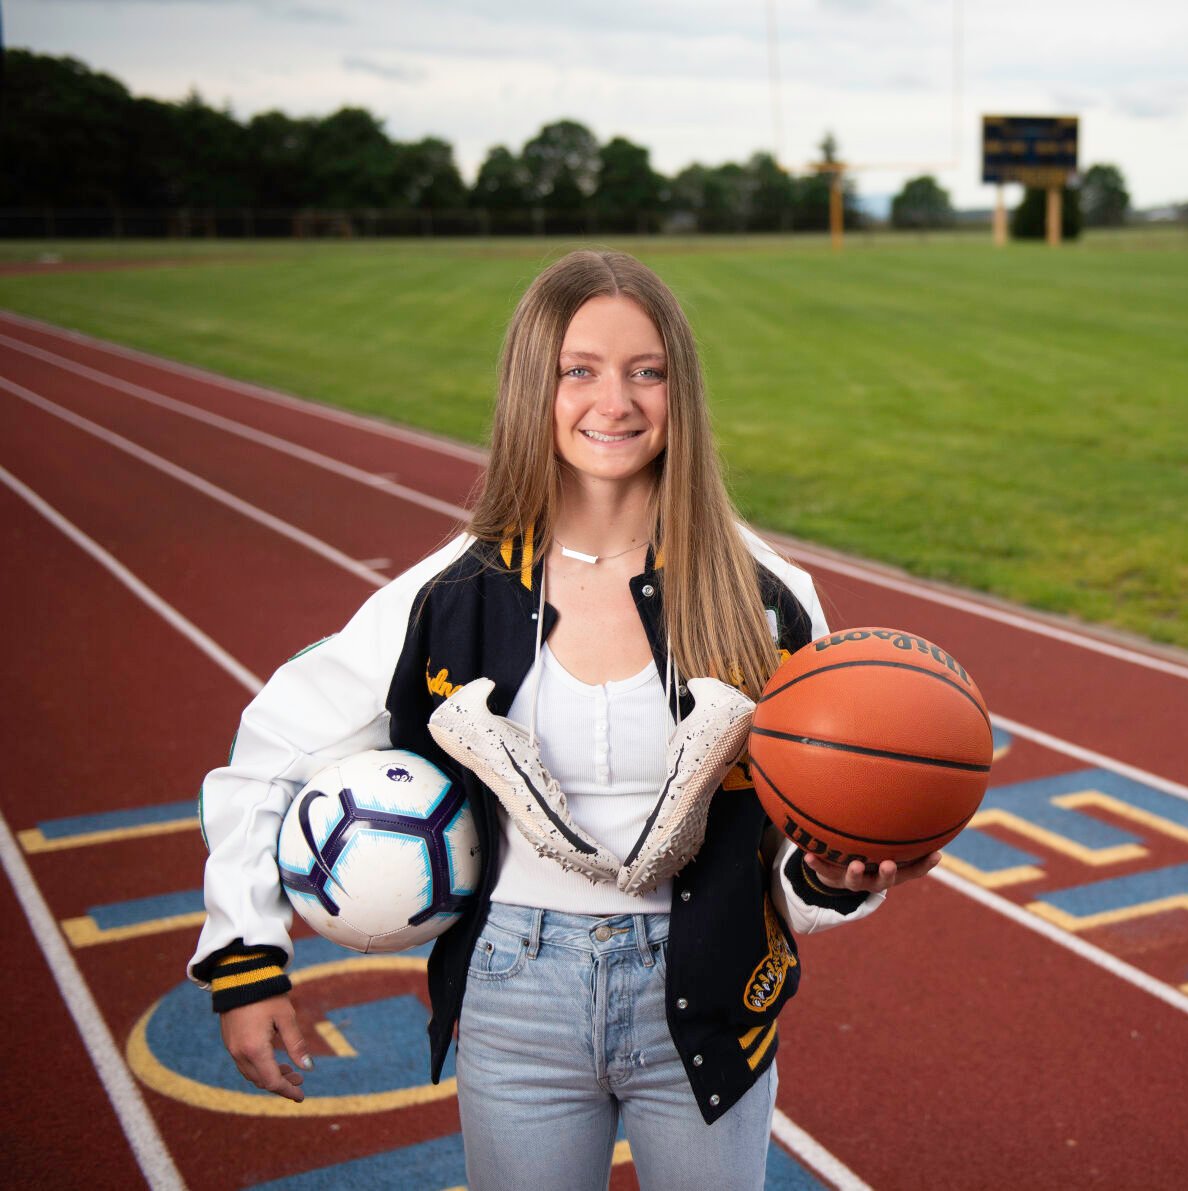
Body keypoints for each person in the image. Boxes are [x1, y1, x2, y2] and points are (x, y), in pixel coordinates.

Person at [188, 248, 937, 1189]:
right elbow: (272, 750)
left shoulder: (767, 597)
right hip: (515, 990)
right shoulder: (448, 591)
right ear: (529, 389)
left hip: (705, 993)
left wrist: (833, 874)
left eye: (646, 371)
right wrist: (246, 955)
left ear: (682, 390)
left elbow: (794, 849)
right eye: (576, 370)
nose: (612, 400)